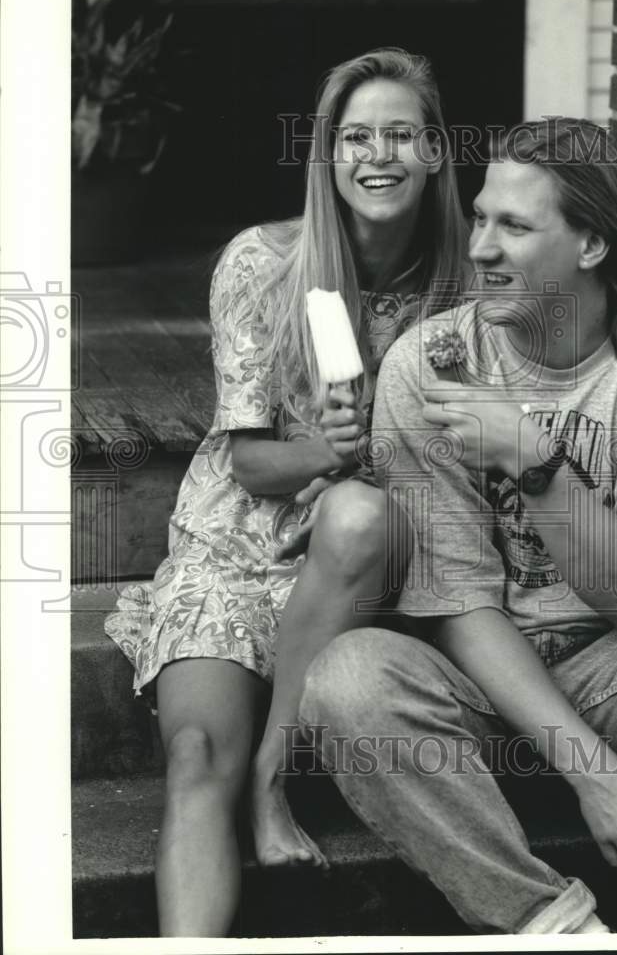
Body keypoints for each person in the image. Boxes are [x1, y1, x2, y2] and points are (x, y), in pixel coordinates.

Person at [297, 118, 617, 934]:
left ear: (592, 246)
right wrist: (595, 775)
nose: (481, 248)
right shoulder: (431, 364)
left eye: (515, 227)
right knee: (348, 676)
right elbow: (457, 604)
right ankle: (550, 925)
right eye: (481, 218)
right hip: (488, 697)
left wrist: (535, 465)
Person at [104, 47, 467, 937]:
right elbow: (247, 463)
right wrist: (321, 446)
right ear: (327, 154)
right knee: (194, 755)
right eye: (354, 137)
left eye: (399, 134)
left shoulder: (462, 293)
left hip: (359, 562)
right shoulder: (262, 266)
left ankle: (272, 783)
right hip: (234, 548)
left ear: (433, 153)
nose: (376, 155)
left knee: (356, 513)